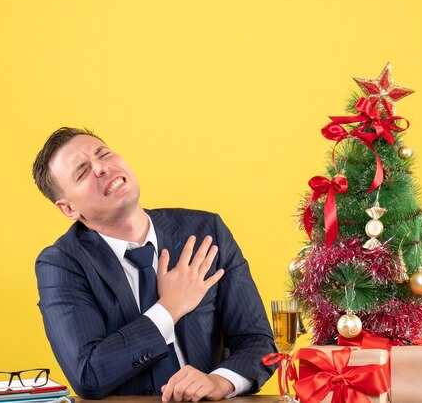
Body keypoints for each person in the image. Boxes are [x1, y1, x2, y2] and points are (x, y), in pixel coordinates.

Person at [32, 127, 276, 401]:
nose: (101, 167)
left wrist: (220, 382)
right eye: (82, 171)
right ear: (69, 209)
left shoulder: (207, 231)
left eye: (103, 153)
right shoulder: (61, 263)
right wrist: (169, 308)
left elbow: (257, 342)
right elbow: (88, 375)